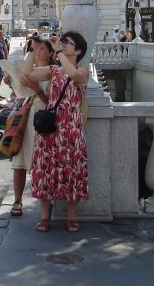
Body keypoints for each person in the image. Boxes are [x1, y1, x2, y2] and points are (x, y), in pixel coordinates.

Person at [23, 31, 89, 233]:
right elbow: (27, 74)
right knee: (45, 168)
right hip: (52, 126)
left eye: (69, 43)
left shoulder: (83, 70)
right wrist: (33, 50)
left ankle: (71, 217)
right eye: (63, 42)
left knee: (73, 170)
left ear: (78, 50)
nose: (64, 45)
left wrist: (58, 51)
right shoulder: (53, 71)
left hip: (71, 127)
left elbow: (74, 75)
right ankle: (44, 216)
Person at [10, 36, 54, 217]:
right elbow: (19, 94)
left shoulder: (53, 72)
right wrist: (12, 83)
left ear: (51, 53)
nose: (37, 52)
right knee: (19, 160)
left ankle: (46, 201)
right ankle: (17, 200)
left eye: (41, 49)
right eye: (35, 49)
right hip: (27, 116)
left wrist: (37, 89)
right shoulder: (30, 69)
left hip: (44, 119)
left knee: (44, 163)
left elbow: (51, 101)